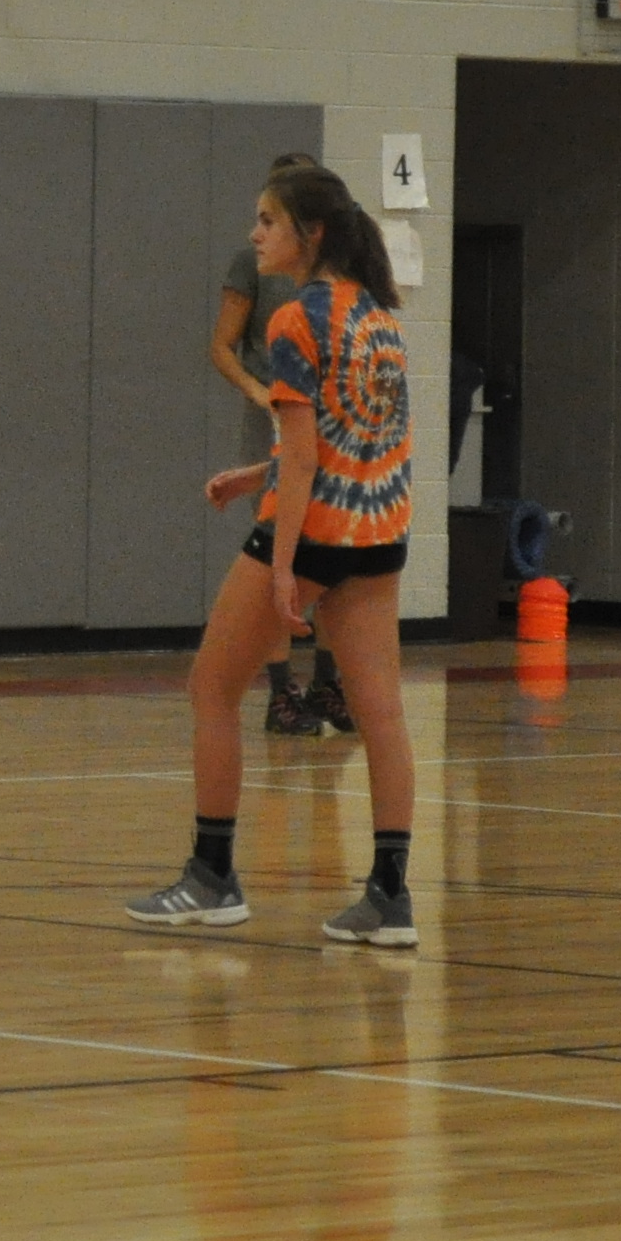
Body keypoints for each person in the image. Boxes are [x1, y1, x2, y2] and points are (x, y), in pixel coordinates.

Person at [129, 161, 420, 947]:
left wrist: (286, 564)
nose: (254, 235)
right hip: (381, 530)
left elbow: (303, 459)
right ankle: (390, 896)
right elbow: (352, 436)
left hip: (316, 530)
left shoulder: (297, 320)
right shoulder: (382, 318)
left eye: (267, 220)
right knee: (383, 714)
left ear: (310, 233)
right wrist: (252, 474)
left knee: (211, 690)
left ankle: (212, 878)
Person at [215, 151, 349, 740]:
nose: (260, 230)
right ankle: (280, 691)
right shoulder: (254, 265)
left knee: (321, 566)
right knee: (278, 558)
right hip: (275, 417)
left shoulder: (337, 290)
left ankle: (327, 682)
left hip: (318, 431)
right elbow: (221, 344)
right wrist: (260, 391)